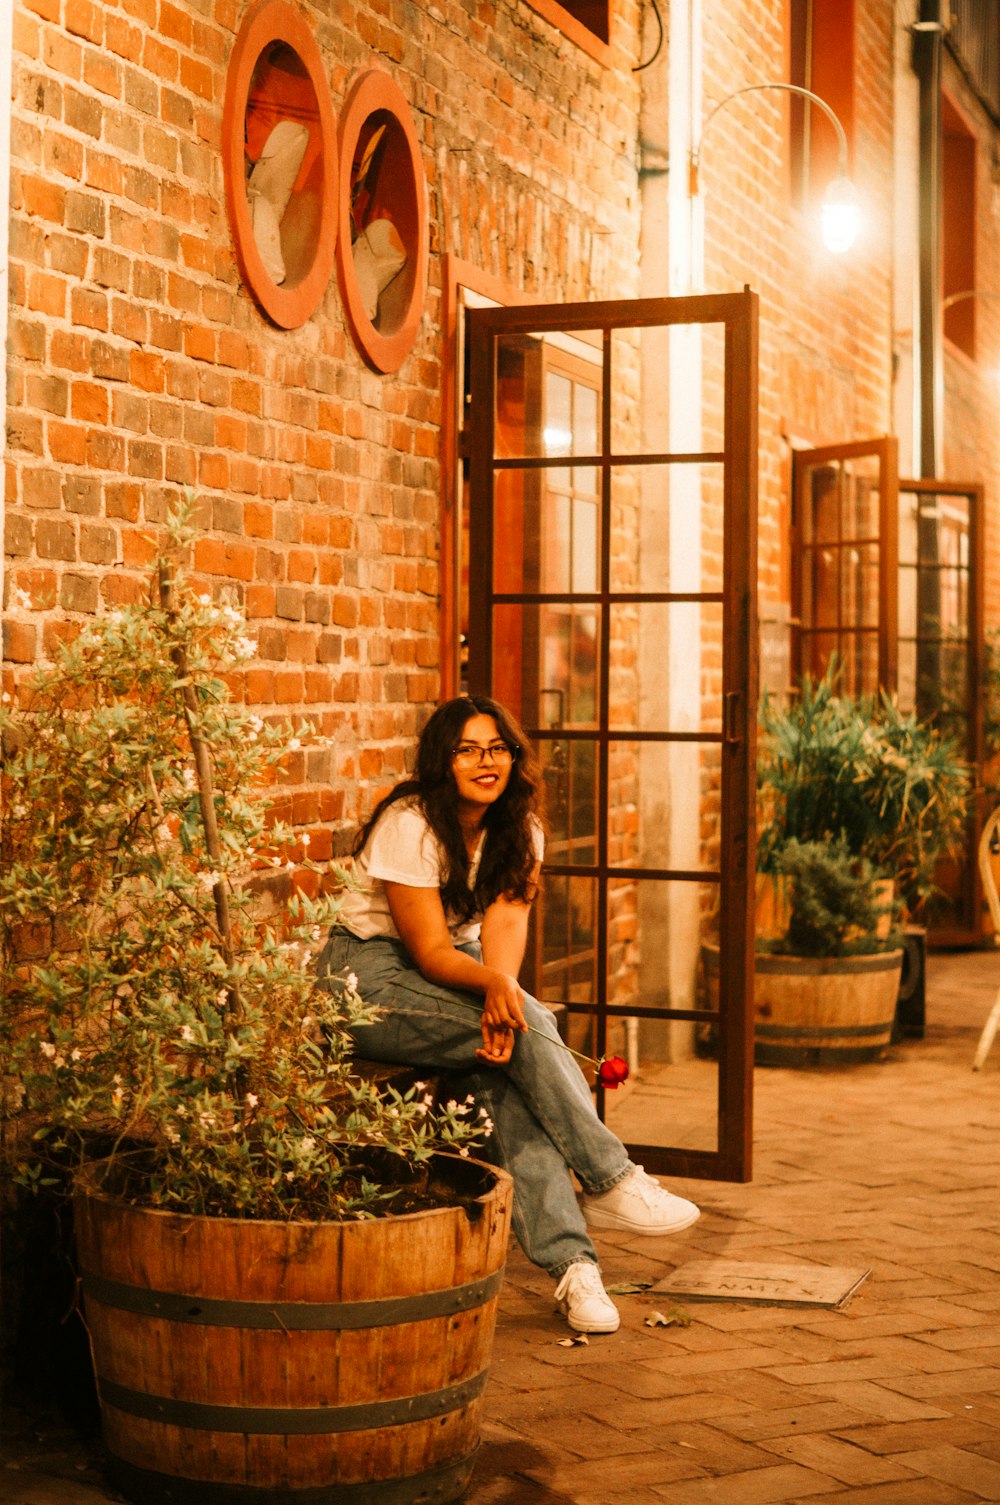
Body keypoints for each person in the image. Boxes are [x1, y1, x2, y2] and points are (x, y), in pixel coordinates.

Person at [317, 695, 700, 1334]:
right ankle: (609, 1179)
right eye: (468, 749)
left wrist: (501, 990)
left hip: (447, 973)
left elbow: (505, 925)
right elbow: (432, 951)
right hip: (367, 980)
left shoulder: (518, 828)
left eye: (497, 747)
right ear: (443, 760)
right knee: (524, 1023)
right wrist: (497, 987)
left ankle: (576, 1269)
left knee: (502, 1064)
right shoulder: (410, 824)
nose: (485, 761)